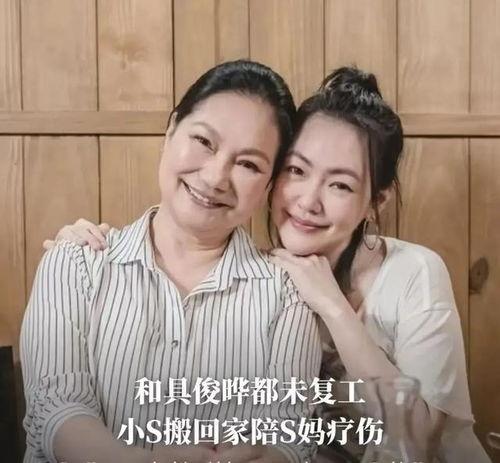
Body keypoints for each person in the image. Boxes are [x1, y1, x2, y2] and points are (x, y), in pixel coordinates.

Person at [50, 66, 491, 463]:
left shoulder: (412, 272)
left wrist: (332, 306)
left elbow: (418, 441)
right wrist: (82, 250)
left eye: (339, 185)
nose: (308, 201)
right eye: (297, 171)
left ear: (376, 201)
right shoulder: (263, 274)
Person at [20, 60, 322, 463]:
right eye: (204, 141)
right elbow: (56, 410)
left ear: (268, 184)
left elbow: (291, 434)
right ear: (171, 129)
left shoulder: (287, 292)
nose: (215, 177)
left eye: (248, 164)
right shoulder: (75, 263)